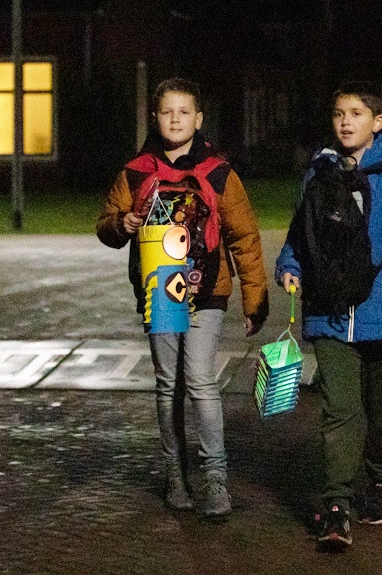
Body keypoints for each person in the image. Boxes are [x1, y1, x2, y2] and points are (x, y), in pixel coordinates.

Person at [275, 81, 382, 549]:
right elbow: (300, 232)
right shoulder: (318, 173)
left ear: (378, 122)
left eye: (356, 113)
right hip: (327, 310)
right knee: (340, 409)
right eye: (339, 114)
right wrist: (290, 266)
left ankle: (380, 479)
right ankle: (336, 506)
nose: (345, 122)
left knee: (380, 409)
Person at [97, 78, 268, 517]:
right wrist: (122, 224)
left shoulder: (219, 173)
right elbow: (106, 224)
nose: (175, 119)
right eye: (167, 112)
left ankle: (215, 478)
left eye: (184, 112)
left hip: (206, 291)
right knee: (167, 384)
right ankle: (176, 474)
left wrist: (255, 299)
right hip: (159, 290)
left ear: (199, 119)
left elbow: (244, 238)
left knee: (200, 380)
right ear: (155, 117)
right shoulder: (136, 172)